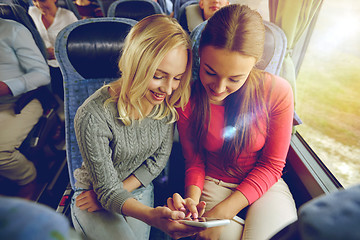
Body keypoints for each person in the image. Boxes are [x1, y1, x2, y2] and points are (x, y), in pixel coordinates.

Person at [168, 4, 298, 240]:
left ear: (254, 65)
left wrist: (224, 211)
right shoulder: (186, 98)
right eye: (210, 72)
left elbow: (271, 165)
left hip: (265, 184)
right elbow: (195, 161)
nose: (218, 88)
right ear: (200, 55)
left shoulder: (277, 92)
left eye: (235, 79)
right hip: (213, 181)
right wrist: (192, 204)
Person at [70, 14, 205, 240]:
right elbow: (106, 188)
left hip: (135, 188)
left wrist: (118, 191)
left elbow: (157, 160)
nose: (169, 89)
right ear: (135, 64)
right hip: (91, 194)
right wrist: (149, 215)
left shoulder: (165, 107)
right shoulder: (92, 115)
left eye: (177, 78)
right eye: (159, 76)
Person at [0, 18, 50, 199]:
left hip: (21, 102)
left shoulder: (13, 30)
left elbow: (42, 75)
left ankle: (28, 179)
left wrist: (7, 86)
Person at [28, 0, 78, 100]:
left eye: (43, 1)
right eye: (35, 1)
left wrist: (59, 52)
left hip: (62, 63)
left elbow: (79, 45)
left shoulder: (68, 16)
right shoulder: (31, 13)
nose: (38, 5)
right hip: (40, 62)